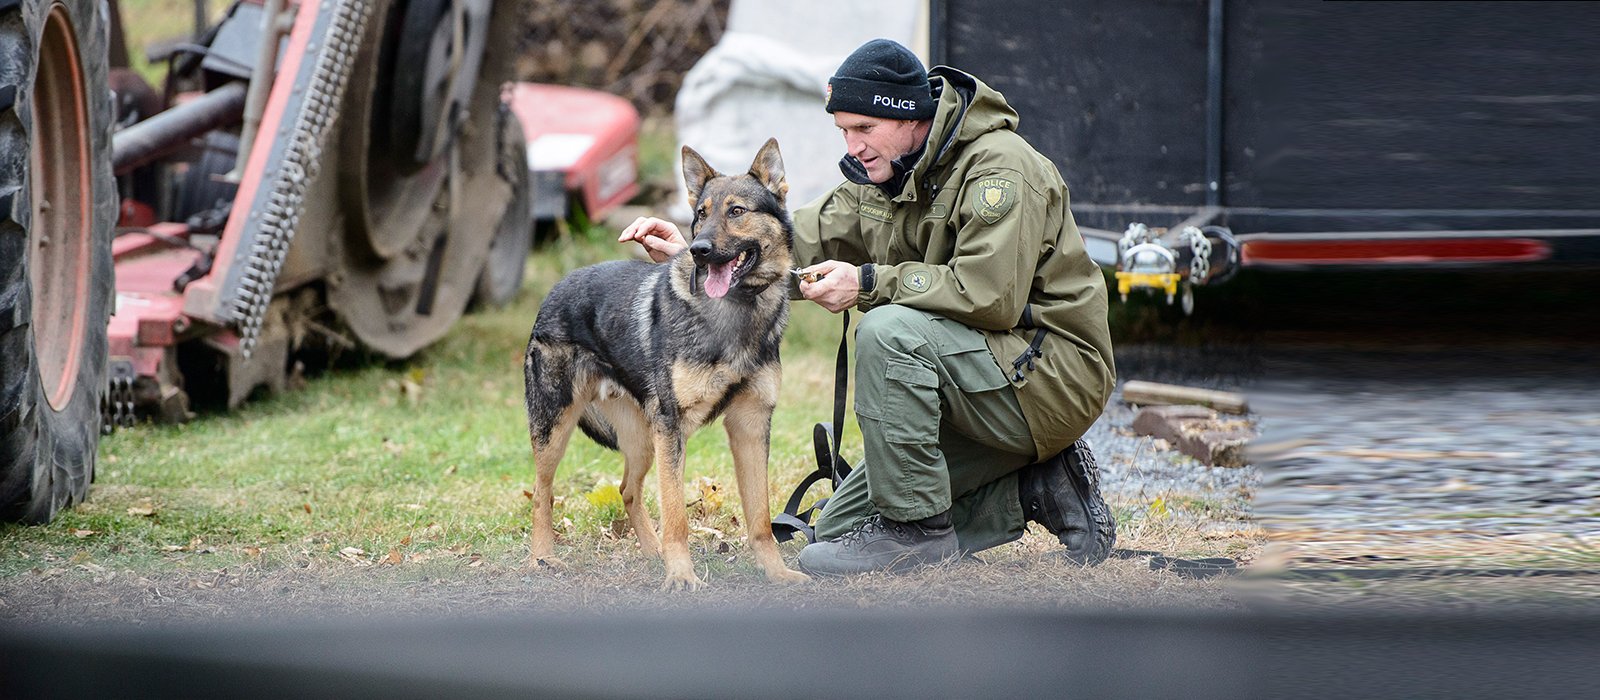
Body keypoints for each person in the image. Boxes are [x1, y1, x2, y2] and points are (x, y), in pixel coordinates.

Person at [620, 38, 1116, 576]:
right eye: (843, 131)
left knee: (887, 331)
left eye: (863, 128)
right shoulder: (881, 174)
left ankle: (917, 532)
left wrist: (868, 282)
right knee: (835, 529)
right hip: (971, 376)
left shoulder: (1001, 171)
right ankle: (1038, 486)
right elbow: (787, 243)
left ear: (910, 117)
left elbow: (989, 296)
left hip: (1049, 376)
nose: (852, 145)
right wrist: (702, 255)